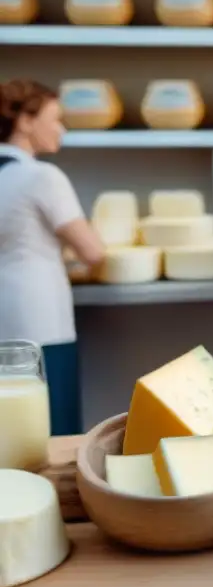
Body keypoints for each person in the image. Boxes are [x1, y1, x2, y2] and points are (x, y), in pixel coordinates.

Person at [0, 79, 105, 434]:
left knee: (12, 432)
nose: (60, 129)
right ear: (25, 122)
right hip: (40, 322)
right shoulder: (42, 176)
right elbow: (92, 252)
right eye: (55, 118)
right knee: (54, 430)